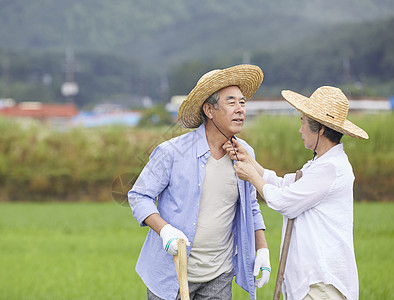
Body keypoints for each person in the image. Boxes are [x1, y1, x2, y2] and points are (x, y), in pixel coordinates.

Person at [128, 65, 271, 300]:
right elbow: (138, 196)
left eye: (243, 103)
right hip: (171, 273)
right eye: (231, 102)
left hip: (219, 275)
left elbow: (251, 206)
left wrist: (262, 249)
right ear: (209, 109)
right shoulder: (171, 152)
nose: (240, 110)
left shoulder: (245, 154)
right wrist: (165, 232)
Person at [223, 86, 368, 300]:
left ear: (319, 128)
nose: (300, 130)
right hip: (314, 282)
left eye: (302, 122)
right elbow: (284, 185)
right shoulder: (321, 164)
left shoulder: (331, 168)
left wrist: (251, 176)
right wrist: (249, 160)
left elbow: (284, 201)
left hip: (322, 284)